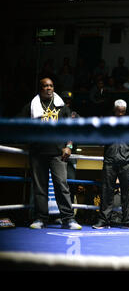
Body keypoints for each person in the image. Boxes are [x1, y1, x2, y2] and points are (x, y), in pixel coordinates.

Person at [18, 78, 82, 230]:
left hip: (58, 153)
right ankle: (40, 218)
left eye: (51, 86)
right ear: (40, 89)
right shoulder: (31, 106)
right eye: (45, 86)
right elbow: (19, 124)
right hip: (37, 152)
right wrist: (28, 141)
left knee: (62, 185)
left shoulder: (61, 107)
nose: (48, 88)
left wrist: (69, 146)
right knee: (40, 188)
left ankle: (68, 219)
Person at [92, 100, 129, 230]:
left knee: (127, 193)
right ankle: (104, 220)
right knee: (107, 191)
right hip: (109, 162)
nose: (120, 113)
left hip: (126, 163)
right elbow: (100, 142)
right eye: (118, 111)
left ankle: (128, 221)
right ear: (114, 110)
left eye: (122, 111)